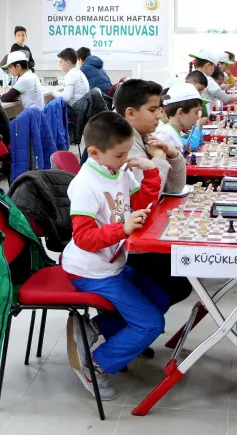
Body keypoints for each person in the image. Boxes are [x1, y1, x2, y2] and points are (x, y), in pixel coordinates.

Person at [61, 111, 166, 399]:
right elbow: (84, 238)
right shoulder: (84, 185)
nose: (125, 160)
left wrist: (151, 172)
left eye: (127, 153)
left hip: (113, 263)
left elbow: (140, 206)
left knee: (160, 299)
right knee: (151, 323)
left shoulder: (116, 169)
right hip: (89, 270)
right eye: (120, 155)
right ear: (95, 152)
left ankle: (92, 327)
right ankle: (96, 364)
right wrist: (123, 228)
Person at [113, 79, 191, 306]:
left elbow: (175, 188)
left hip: (139, 230)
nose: (159, 115)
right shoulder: (122, 146)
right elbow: (147, 202)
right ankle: (116, 321)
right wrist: (158, 160)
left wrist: (172, 155)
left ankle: (128, 320)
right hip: (124, 243)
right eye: (153, 109)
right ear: (130, 113)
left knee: (179, 283)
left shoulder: (143, 138)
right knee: (177, 285)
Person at [156, 82, 207, 155]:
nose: (199, 117)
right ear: (180, 113)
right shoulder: (165, 136)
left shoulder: (173, 133)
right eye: (196, 113)